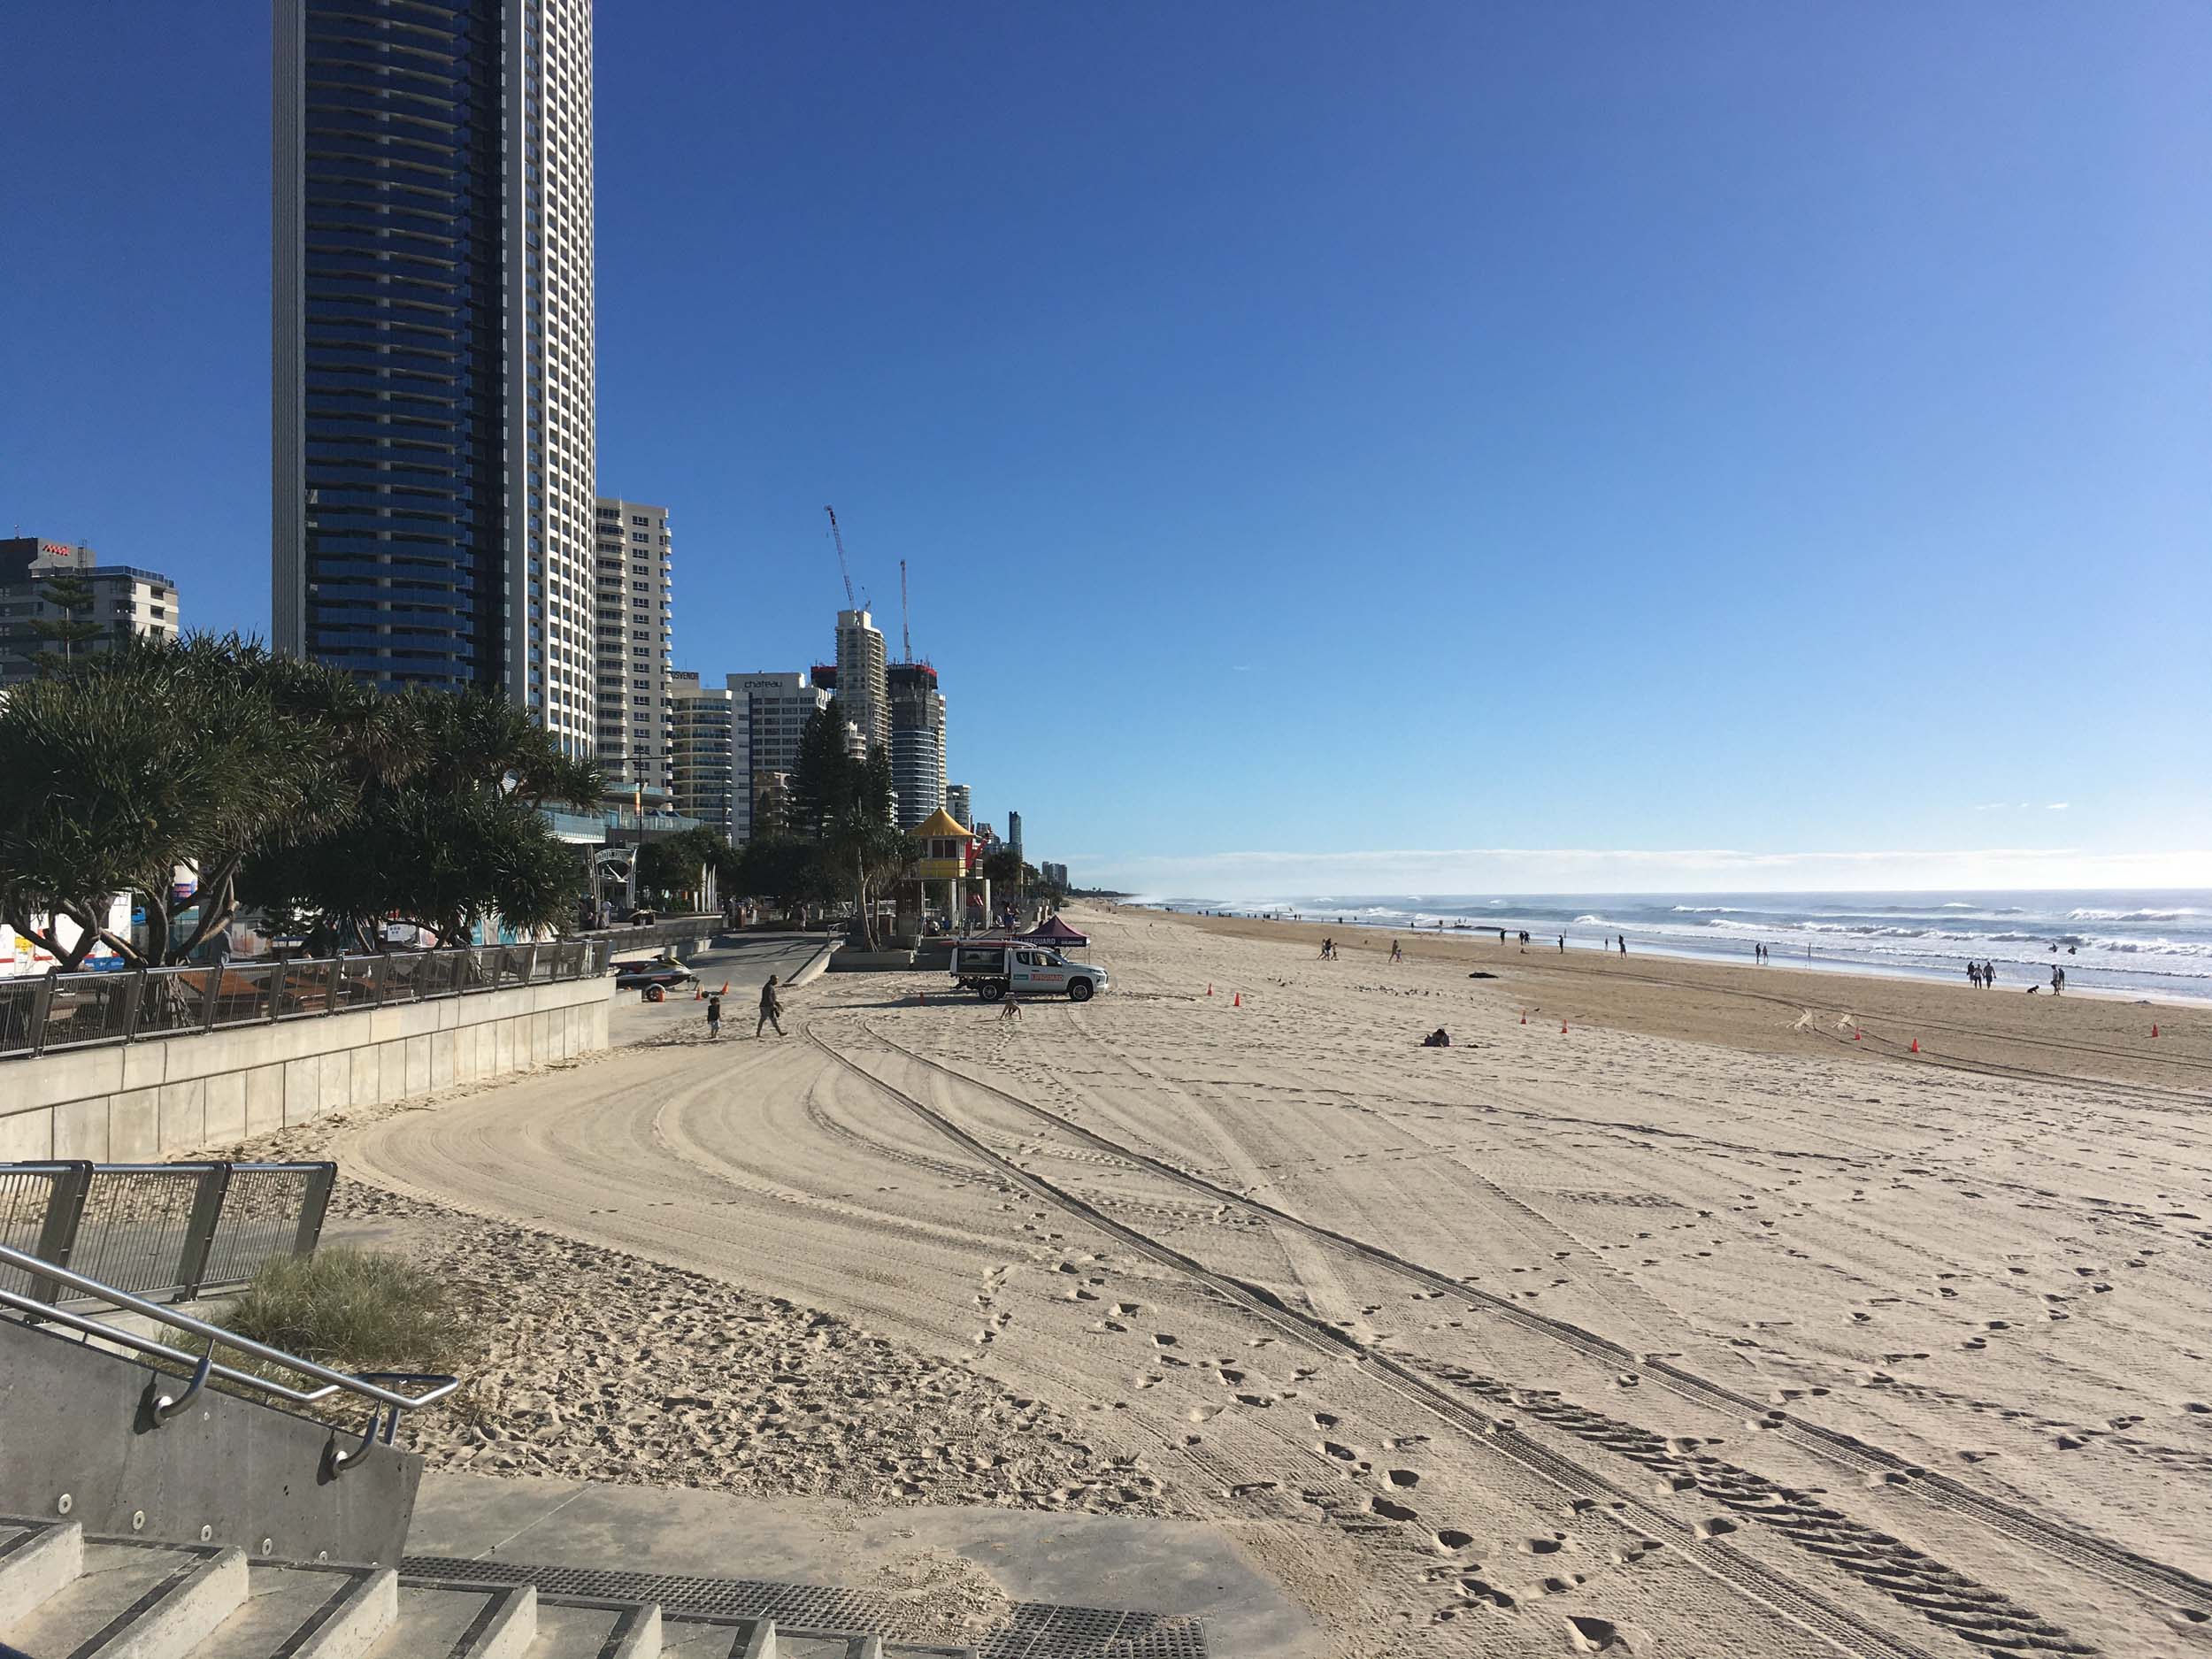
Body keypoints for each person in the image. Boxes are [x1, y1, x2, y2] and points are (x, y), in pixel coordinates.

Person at [757, 973, 784, 1038]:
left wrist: (777, 1004)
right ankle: (780, 1032)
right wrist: (772, 1006)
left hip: (764, 1005)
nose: (777, 981)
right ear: (772, 979)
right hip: (767, 1006)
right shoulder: (769, 987)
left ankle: (758, 1033)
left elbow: (771, 998)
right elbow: (768, 997)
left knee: (762, 1019)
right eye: (776, 980)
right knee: (773, 1019)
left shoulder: (769, 986)